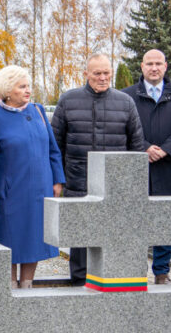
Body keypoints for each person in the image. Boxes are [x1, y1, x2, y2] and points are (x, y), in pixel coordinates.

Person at [52, 53, 145, 285]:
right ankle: (78, 281)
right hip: (78, 180)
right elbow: (55, 144)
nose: (102, 78)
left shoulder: (125, 102)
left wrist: (134, 183)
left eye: (106, 73)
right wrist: (59, 179)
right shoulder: (68, 100)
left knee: (113, 235)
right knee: (80, 236)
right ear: (86, 74)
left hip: (115, 184)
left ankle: (113, 279)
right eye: (97, 73)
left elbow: (136, 145)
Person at [120, 49, 171, 284]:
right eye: (149, 63)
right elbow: (122, 127)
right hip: (136, 167)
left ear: (165, 66)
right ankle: (133, 268)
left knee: (166, 218)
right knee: (134, 219)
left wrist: (165, 149)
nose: (154, 68)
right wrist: (144, 147)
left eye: (158, 64)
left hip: (168, 166)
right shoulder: (127, 96)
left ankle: (162, 271)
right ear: (142, 67)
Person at [0, 65, 64, 289]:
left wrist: (57, 180)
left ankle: (27, 284)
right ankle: (10, 285)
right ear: (7, 91)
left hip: (40, 189)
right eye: (22, 87)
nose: (28, 90)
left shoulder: (38, 110)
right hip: (9, 192)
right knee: (7, 239)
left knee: (35, 237)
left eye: (28, 86)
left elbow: (53, 149)